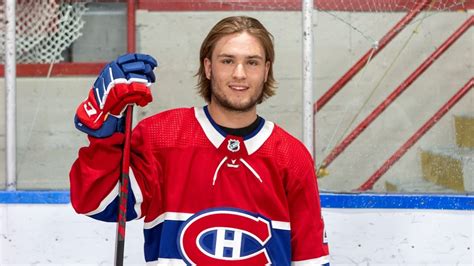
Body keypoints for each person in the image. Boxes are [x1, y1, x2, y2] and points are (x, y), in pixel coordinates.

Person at [70, 16, 329, 265]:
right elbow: (100, 204)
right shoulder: (161, 137)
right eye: (227, 61)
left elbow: (311, 259)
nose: (240, 73)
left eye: (252, 62)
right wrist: (104, 140)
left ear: (266, 70)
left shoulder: (292, 156)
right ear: (208, 67)